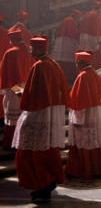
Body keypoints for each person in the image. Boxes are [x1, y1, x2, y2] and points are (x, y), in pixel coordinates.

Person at [12, 35, 70, 204]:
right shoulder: (54, 64)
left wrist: (20, 94)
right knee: (47, 150)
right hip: (51, 113)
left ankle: (41, 184)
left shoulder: (39, 66)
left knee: (32, 151)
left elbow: (34, 95)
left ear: (37, 50)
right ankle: (48, 181)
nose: (30, 52)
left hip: (39, 113)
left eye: (31, 49)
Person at [64, 50, 101, 179]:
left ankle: (86, 170)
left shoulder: (83, 76)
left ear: (81, 63)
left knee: (85, 141)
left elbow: (79, 101)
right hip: (96, 114)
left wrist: (76, 117)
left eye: (77, 63)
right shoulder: (94, 74)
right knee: (97, 141)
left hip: (87, 115)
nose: (76, 66)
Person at [0, 30, 33, 150]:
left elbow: (6, 75)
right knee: (26, 114)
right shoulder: (31, 50)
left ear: (14, 40)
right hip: (29, 87)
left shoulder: (10, 53)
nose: (9, 42)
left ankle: (12, 143)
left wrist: (17, 91)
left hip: (15, 88)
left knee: (14, 113)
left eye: (10, 40)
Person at [52, 9, 82, 83]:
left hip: (61, 41)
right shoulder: (71, 21)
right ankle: (70, 75)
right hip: (66, 42)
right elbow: (73, 34)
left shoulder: (66, 19)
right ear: (76, 16)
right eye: (78, 18)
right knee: (69, 58)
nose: (78, 20)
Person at [79, 1, 101, 70]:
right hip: (92, 39)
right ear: (99, 8)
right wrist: (100, 42)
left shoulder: (88, 14)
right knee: (95, 57)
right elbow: (96, 30)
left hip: (84, 38)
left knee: (86, 55)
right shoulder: (95, 15)